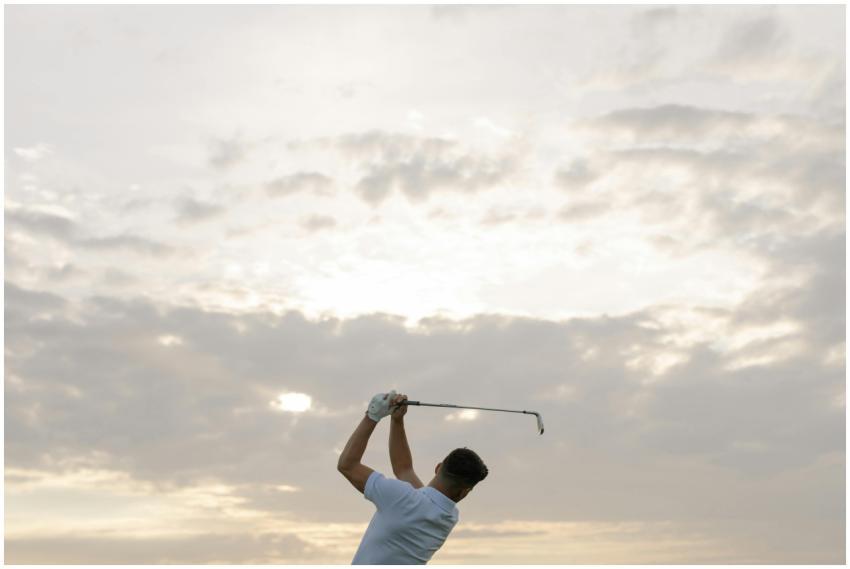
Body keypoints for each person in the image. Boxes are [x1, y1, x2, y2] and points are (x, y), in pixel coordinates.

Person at [337, 390, 489, 565]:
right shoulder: (448, 516)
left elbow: (347, 465)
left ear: (438, 467)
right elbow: (404, 469)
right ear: (464, 492)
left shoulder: (402, 498)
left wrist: (372, 415)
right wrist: (397, 420)